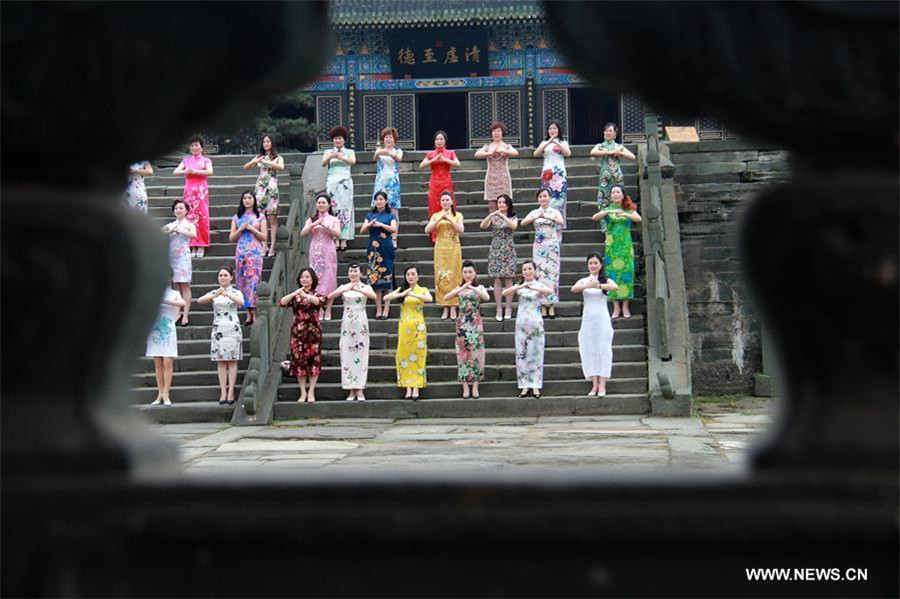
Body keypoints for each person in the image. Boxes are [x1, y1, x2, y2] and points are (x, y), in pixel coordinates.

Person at [502, 260, 554, 398]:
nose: (527, 271)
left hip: (536, 323)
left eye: (530, 268)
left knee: (535, 354)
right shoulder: (520, 286)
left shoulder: (538, 285)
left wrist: (534, 287)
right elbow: (505, 293)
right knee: (522, 354)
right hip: (521, 324)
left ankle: (536, 385)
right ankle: (524, 385)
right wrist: (521, 286)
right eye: (524, 269)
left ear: (534, 270)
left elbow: (549, 292)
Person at [572, 254, 619, 396]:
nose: (593, 265)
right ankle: (594, 384)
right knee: (589, 349)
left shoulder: (605, 280)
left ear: (600, 265)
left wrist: (598, 285)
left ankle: (602, 384)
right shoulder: (584, 280)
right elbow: (574, 289)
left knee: (603, 350)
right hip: (588, 320)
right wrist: (588, 285)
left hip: (602, 320)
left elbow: (615, 287)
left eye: (595, 263)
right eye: (590, 263)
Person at [327, 263, 376, 401]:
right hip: (347, 323)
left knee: (361, 354)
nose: (353, 273)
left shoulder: (365, 287)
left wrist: (358, 289)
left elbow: (373, 296)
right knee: (347, 354)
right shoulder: (344, 287)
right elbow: (330, 296)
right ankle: (350, 389)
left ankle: (360, 388)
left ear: (361, 273)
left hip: (361, 322)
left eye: (356, 271)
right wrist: (348, 287)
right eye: (351, 271)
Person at [197, 266, 245, 405]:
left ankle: (231, 391)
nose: (222, 277)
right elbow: (200, 300)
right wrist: (216, 294)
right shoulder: (214, 292)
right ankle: (223, 391)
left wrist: (227, 294)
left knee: (232, 360)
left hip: (232, 328)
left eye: (225, 275)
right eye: (220, 275)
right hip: (218, 328)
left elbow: (241, 302)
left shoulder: (236, 292)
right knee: (221, 361)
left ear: (231, 277)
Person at [592, 185, 642, 318]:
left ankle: (625, 306)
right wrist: (607, 212)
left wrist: (625, 214)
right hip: (612, 247)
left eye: (618, 192)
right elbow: (595, 217)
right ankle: (615, 307)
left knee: (626, 273)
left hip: (625, 246)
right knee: (612, 274)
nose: (615, 194)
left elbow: (638, 219)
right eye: (613, 192)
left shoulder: (628, 208)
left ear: (622, 195)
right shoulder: (608, 209)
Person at [443, 261, 490, 399]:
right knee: (462, 353)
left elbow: (486, 297)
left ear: (475, 273)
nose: (468, 275)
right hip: (462, 323)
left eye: (470, 272)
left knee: (477, 352)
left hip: (475, 322)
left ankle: (475, 384)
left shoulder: (480, 287)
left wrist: (473, 288)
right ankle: (464, 385)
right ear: (462, 274)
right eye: (465, 272)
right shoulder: (459, 287)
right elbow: (446, 297)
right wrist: (462, 288)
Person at [384, 266, 432, 399]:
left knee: (418, 354)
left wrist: (413, 294)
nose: (410, 276)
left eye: (413, 274)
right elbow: (386, 298)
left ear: (418, 276)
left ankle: (416, 386)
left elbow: (429, 299)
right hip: (405, 327)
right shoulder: (402, 289)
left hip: (418, 328)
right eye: (408, 274)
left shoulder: (422, 290)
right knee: (404, 354)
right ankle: (407, 386)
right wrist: (401, 294)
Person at [279, 268, 325, 403]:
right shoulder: (296, 295)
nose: (304, 279)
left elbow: (320, 302)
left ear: (312, 279)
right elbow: (282, 302)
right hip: (298, 332)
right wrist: (295, 293)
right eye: (302, 277)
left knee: (314, 360)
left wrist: (307, 296)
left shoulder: (317, 294)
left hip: (313, 331)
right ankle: (302, 391)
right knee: (299, 361)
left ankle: (311, 391)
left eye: (307, 277)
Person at [520, 188, 564, 318]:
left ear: (550, 198)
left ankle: (551, 305)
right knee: (539, 274)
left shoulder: (554, 211)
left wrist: (548, 216)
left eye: (545, 196)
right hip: (539, 246)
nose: (543, 198)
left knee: (552, 274)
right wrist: (535, 217)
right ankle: (542, 305)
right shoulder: (535, 212)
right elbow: (523, 223)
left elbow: (561, 222)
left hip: (552, 246)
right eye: (540, 197)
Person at [229, 190, 267, 325]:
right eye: (244, 198)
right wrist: (240, 229)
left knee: (254, 281)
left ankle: (255, 312)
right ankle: (248, 314)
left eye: (250, 198)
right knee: (242, 282)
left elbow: (264, 237)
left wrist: (253, 229)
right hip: (241, 252)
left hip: (255, 252)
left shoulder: (260, 216)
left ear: (254, 200)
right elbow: (231, 238)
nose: (247, 200)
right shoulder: (237, 217)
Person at [300, 192, 341, 320]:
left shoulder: (334, 220)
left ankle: (328, 309)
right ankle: (319, 309)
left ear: (329, 205)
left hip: (328, 251)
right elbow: (303, 233)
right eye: (319, 202)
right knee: (315, 280)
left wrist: (325, 225)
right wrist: (314, 224)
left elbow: (337, 234)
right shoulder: (311, 219)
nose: (321, 204)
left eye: (324, 202)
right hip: (315, 252)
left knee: (329, 279)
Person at [424, 190, 464, 320]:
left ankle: (453, 306)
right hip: (441, 248)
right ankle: (444, 306)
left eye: (447, 200)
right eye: (443, 200)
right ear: (440, 203)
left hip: (454, 248)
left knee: (454, 274)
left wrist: (450, 220)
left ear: (452, 202)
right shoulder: (436, 215)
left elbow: (461, 230)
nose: (445, 202)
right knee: (441, 275)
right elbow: (427, 230)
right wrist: (439, 219)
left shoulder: (457, 215)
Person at [243, 134, 284, 257]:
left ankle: (272, 246)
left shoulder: (277, 157)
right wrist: (256, 161)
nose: (266, 144)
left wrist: (266, 161)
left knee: (272, 219)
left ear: (272, 143)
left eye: (268, 141)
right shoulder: (259, 157)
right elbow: (246, 167)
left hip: (271, 189)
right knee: (262, 219)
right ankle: (264, 245)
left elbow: (281, 167)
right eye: (264, 142)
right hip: (260, 190)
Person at [590, 123, 636, 233]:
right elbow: (593, 152)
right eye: (606, 131)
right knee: (603, 200)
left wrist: (620, 153)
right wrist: (608, 152)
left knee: (619, 199)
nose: (607, 133)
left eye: (610, 131)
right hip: (604, 178)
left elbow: (632, 157)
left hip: (617, 177)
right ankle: (606, 228)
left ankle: (621, 223)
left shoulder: (619, 146)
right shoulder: (601, 145)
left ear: (615, 134)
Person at [146, 281, 186, 406]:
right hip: (155, 328)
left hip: (168, 327)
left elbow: (182, 303)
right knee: (157, 362)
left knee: (168, 361)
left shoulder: (174, 293)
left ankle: (166, 393)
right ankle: (160, 394)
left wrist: (165, 301)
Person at [479, 193, 518, 321]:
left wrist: (503, 217)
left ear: (508, 205)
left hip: (508, 247)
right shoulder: (494, 217)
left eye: (503, 202)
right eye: (499, 202)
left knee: (508, 278)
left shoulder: (512, 216)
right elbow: (483, 225)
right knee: (496, 279)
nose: (501, 205)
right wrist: (491, 215)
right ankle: (498, 308)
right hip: (496, 248)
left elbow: (514, 226)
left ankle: (508, 307)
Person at [173, 135, 213, 257]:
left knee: (202, 217)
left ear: (201, 147)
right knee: (189, 217)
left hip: (201, 192)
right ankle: (192, 245)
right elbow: (175, 172)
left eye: (196, 145)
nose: (194, 147)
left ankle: (201, 245)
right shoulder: (186, 161)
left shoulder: (206, 160)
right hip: (189, 192)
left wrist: (196, 171)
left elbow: (210, 172)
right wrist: (185, 171)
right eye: (192, 145)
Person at [360, 190, 398, 320]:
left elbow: (394, 229)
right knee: (375, 278)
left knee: (387, 278)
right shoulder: (370, 215)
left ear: (386, 201)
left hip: (386, 247)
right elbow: (362, 230)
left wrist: (381, 224)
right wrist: (370, 224)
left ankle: (386, 308)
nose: (379, 201)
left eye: (381, 199)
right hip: (373, 249)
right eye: (377, 199)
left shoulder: (390, 215)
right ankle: (378, 309)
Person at [420, 130, 460, 243]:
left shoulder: (450, 153)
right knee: (434, 206)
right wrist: (433, 159)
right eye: (437, 139)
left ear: (445, 140)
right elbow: (422, 165)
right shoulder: (430, 154)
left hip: (446, 182)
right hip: (434, 183)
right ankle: (434, 234)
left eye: (441, 139)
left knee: (449, 205)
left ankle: (451, 230)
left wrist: (445, 159)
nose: (439, 141)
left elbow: (458, 164)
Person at [162, 199, 197, 326]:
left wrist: (180, 231)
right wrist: (170, 230)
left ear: (186, 210)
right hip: (173, 258)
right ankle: (177, 314)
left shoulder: (189, 224)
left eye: (181, 208)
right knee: (176, 286)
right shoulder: (171, 224)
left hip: (184, 257)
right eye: (176, 208)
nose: (178, 210)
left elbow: (193, 234)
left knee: (185, 286)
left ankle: (185, 315)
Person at [321, 125, 356, 251]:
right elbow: (323, 163)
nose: (338, 140)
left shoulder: (349, 152)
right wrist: (332, 156)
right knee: (334, 209)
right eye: (335, 138)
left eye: (340, 138)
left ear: (344, 139)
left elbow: (353, 161)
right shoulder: (328, 152)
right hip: (332, 182)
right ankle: (335, 238)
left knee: (345, 209)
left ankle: (344, 238)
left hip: (345, 183)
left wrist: (341, 157)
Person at [534, 120, 571, 228]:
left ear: (558, 130)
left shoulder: (563, 142)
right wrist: (548, 142)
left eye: (554, 128)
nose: (552, 130)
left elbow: (568, 153)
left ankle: (559, 226)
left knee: (559, 200)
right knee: (547, 198)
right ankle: (547, 223)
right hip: (547, 173)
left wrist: (557, 143)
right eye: (550, 128)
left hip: (559, 174)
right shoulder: (544, 143)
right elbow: (536, 153)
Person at [474, 122, 518, 213]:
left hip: (503, 178)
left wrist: (503, 150)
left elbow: (515, 152)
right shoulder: (488, 147)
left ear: (502, 133)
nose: (496, 133)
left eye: (498, 131)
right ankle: (495, 225)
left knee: (504, 204)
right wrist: (489, 153)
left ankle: (505, 225)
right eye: (494, 131)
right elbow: (477, 154)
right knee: (492, 205)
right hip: (491, 178)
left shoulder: (506, 146)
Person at [371, 127, 403, 248]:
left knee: (394, 210)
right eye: (386, 137)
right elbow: (375, 157)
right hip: (381, 183)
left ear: (394, 140)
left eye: (390, 137)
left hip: (393, 184)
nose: (388, 139)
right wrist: (381, 152)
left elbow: (398, 158)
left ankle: (394, 237)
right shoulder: (379, 150)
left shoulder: (398, 151)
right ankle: (379, 235)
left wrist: (390, 153)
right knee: (379, 209)